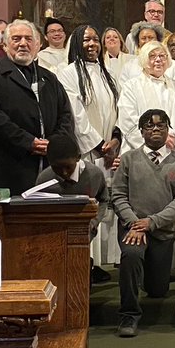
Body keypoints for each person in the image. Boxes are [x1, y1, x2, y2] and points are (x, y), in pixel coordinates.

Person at [112, 109, 175, 338]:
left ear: (168, 129)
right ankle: (128, 315)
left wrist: (151, 222)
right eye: (149, 126)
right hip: (133, 230)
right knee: (131, 255)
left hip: (162, 231)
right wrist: (135, 223)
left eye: (160, 125)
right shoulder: (128, 159)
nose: (155, 130)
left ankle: (148, 279)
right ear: (141, 131)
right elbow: (118, 195)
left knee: (158, 290)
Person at [0, 20, 74, 196]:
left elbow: (65, 115)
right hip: (6, 164)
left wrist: (53, 144)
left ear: (38, 45)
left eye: (28, 39)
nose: (23, 43)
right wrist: (28, 142)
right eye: (16, 38)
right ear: (5, 46)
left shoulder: (49, 78)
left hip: (47, 164)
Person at [57, 24, 123, 278]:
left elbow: (119, 109)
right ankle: (86, 260)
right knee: (87, 206)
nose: (92, 44)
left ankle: (103, 261)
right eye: (86, 40)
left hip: (108, 151)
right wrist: (97, 145)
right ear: (76, 43)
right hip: (86, 151)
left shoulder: (107, 75)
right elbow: (75, 113)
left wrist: (115, 139)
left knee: (106, 206)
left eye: (96, 39)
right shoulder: (69, 73)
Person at [33, 133, 109, 239]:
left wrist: (94, 221)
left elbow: (104, 200)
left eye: (68, 167)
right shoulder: (44, 179)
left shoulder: (94, 174)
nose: (64, 173)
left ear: (78, 157)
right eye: (57, 168)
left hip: (84, 229)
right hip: (53, 231)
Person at [118, 41, 175, 152]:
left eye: (162, 56)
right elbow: (127, 120)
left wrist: (171, 135)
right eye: (152, 56)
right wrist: (156, 142)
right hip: (140, 149)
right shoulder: (131, 86)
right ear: (143, 59)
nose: (158, 60)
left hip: (171, 147)